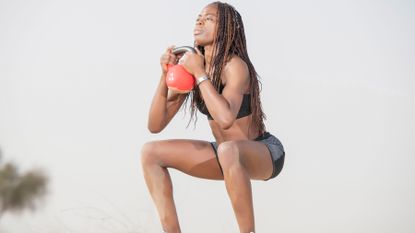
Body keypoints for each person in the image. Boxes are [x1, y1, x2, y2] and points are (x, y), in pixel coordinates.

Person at [140, 2, 285, 233]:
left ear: (226, 29)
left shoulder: (235, 66)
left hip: (262, 151)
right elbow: (155, 125)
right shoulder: (194, 66)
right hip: (225, 154)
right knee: (150, 153)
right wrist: (165, 75)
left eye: (208, 19)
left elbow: (226, 118)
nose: (199, 21)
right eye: (198, 17)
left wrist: (200, 74)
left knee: (229, 150)